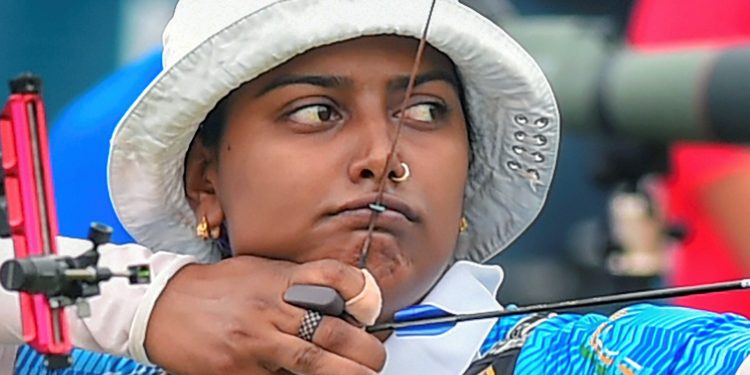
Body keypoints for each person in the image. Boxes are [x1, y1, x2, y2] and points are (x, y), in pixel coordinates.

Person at [1, 0, 749, 374]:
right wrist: (142, 303)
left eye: (425, 111)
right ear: (206, 180)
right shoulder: (103, 354)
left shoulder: (619, 354)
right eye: (315, 112)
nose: (381, 158)